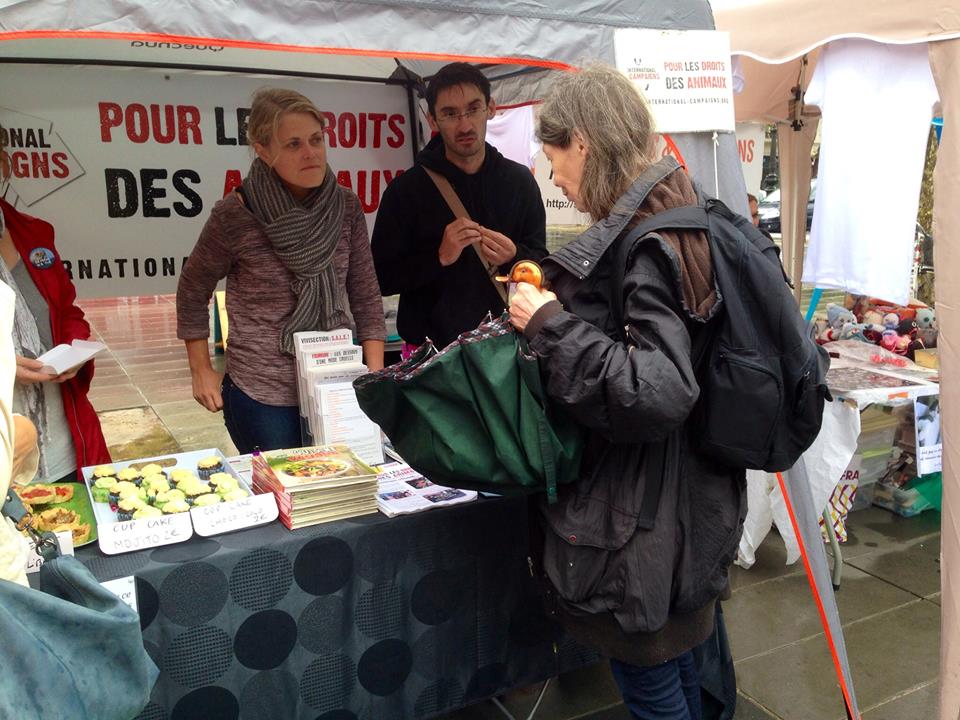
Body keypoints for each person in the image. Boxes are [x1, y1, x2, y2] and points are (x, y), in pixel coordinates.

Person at [509, 66, 745, 720]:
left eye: (553, 158)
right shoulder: (688, 208)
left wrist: (549, 324)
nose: (553, 177)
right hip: (689, 499)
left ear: (582, 143)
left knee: (652, 681)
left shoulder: (646, 238)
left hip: (642, 515)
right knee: (686, 667)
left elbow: (660, 388)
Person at [177, 88, 386, 454]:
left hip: (336, 385)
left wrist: (375, 376)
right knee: (286, 503)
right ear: (262, 149)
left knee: (345, 500)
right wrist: (201, 369)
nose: (311, 153)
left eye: (316, 140)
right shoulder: (235, 216)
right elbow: (192, 290)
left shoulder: (346, 207)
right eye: (293, 144)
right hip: (264, 396)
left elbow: (365, 295)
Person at [371, 62, 547, 351]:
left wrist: (516, 256)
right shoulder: (406, 192)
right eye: (450, 114)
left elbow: (542, 265)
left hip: (505, 350)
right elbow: (380, 278)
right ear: (432, 120)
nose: (464, 125)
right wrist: (438, 257)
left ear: (490, 108)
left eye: (473, 109)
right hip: (430, 358)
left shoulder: (519, 183)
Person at [0, 127, 111, 484]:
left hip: (64, 437)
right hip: (7, 456)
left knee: (78, 531)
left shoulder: (33, 234)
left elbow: (67, 311)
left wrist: (73, 349)